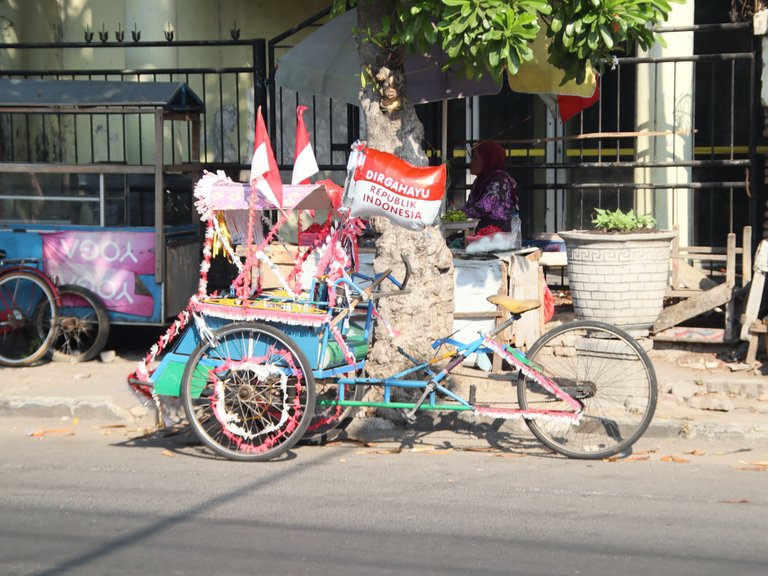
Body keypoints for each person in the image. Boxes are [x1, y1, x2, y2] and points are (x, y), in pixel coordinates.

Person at [464, 141, 519, 233]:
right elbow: (470, 204)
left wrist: (459, 215)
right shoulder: (479, 181)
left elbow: (484, 207)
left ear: (487, 160)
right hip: (480, 227)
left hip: (497, 231)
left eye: (475, 158)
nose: (471, 163)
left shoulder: (499, 180)